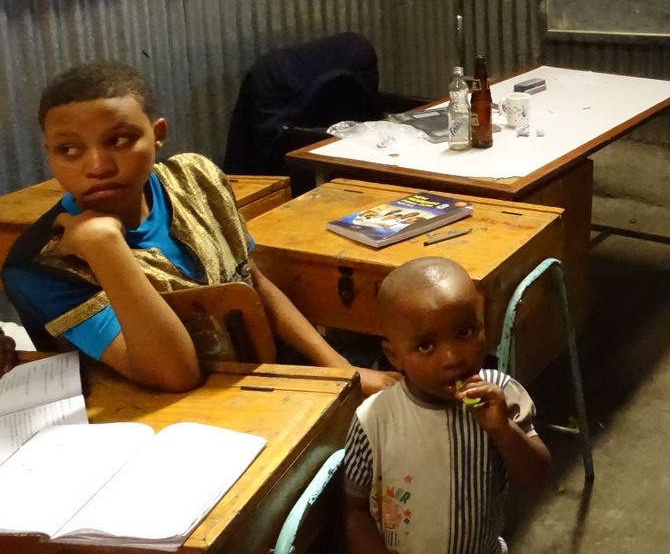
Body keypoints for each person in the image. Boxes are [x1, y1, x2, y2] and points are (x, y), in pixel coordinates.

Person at [2, 61, 399, 395]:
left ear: (157, 136)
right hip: (170, 417)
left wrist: (343, 369)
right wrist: (107, 248)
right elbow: (173, 374)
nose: (97, 166)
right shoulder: (42, 264)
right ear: (49, 153)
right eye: (69, 150)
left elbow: (253, 282)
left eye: (119, 140)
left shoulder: (195, 179)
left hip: (267, 378)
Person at [344, 257, 550, 554]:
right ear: (394, 356)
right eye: (426, 346)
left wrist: (504, 431)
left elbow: (537, 478)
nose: (453, 357)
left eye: (465, 332)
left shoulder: (502, 394)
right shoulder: (374, 419)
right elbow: (356, 510)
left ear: (484, 327)